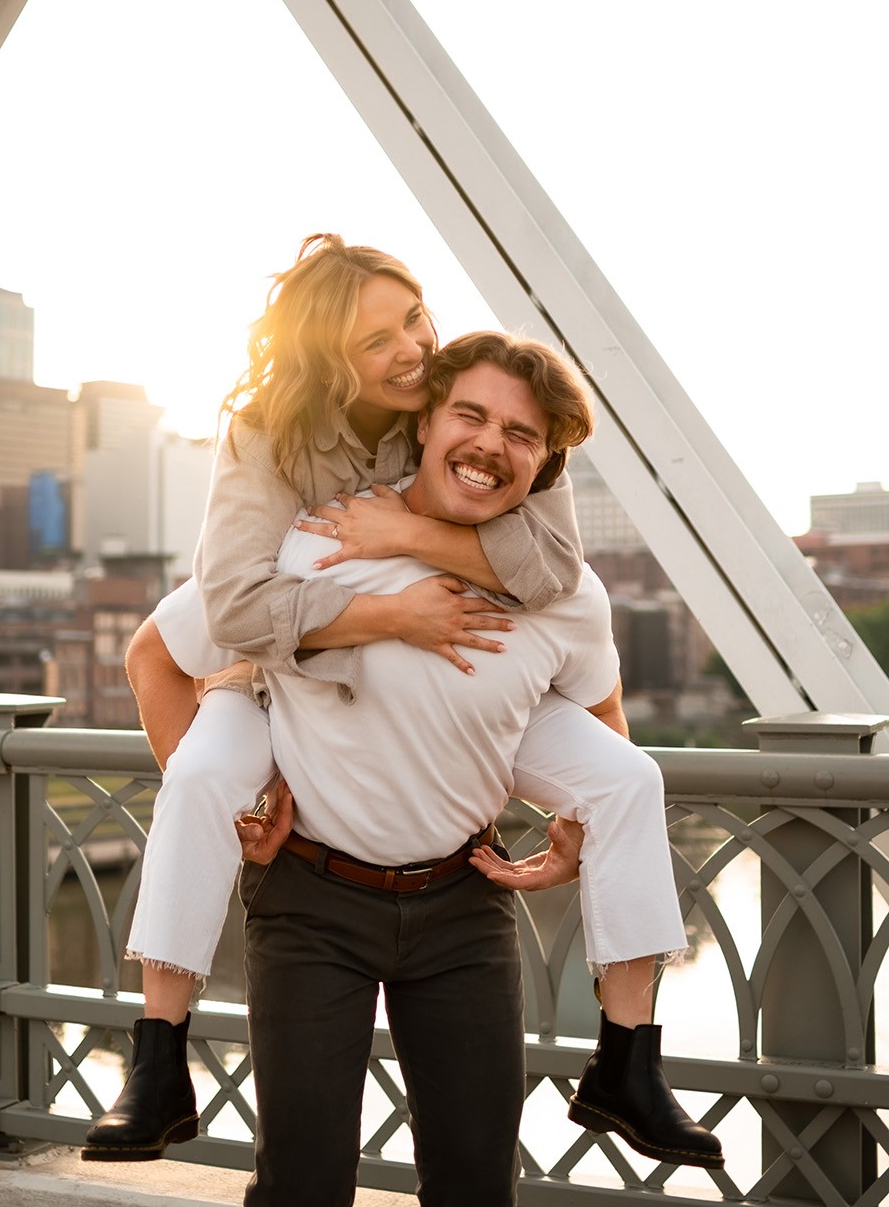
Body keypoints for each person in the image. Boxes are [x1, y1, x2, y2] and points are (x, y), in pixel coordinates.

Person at [85, 333, 724, 1188]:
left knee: (475, 1183)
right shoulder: (319, 538)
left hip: (464, 904)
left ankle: (629, 1062)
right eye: (471, 414)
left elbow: (601, 713)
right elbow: (156, 656)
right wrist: (224, 809)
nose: (493, 445)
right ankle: (157, 1055)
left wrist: (582, 822)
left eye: (523, 434)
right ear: (423, 421)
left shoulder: (566, 592)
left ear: (545, 462)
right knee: (303, 1186)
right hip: (312, 903)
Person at [83, 236, 585, 1161]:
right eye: (375, 343)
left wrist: (408, 533)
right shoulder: (268, 431)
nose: (412, 349)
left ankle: (629, 1058)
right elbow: (231, 605)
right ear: (326, 361)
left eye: (415, 317)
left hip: (410, 750)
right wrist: (389, 611)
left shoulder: (470, 398)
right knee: (197, 779)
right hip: (269, 669)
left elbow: (553, 566)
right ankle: (157, 1059)